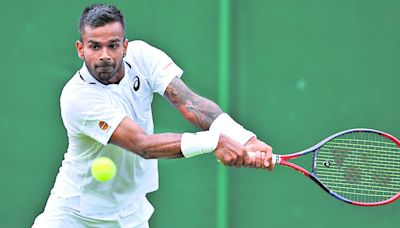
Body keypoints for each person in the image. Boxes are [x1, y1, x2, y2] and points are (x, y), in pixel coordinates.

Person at [33, 4, 273, 228]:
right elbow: (142, 145)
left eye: (113, 45)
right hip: (72, 218)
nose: (104, 55)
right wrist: (214, 141)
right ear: (80, 48)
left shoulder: (143, 56)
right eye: (95, 46)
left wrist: (245, 139)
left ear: (125, 46)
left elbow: (190, 103)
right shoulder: (77, 97)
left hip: (130, 216)